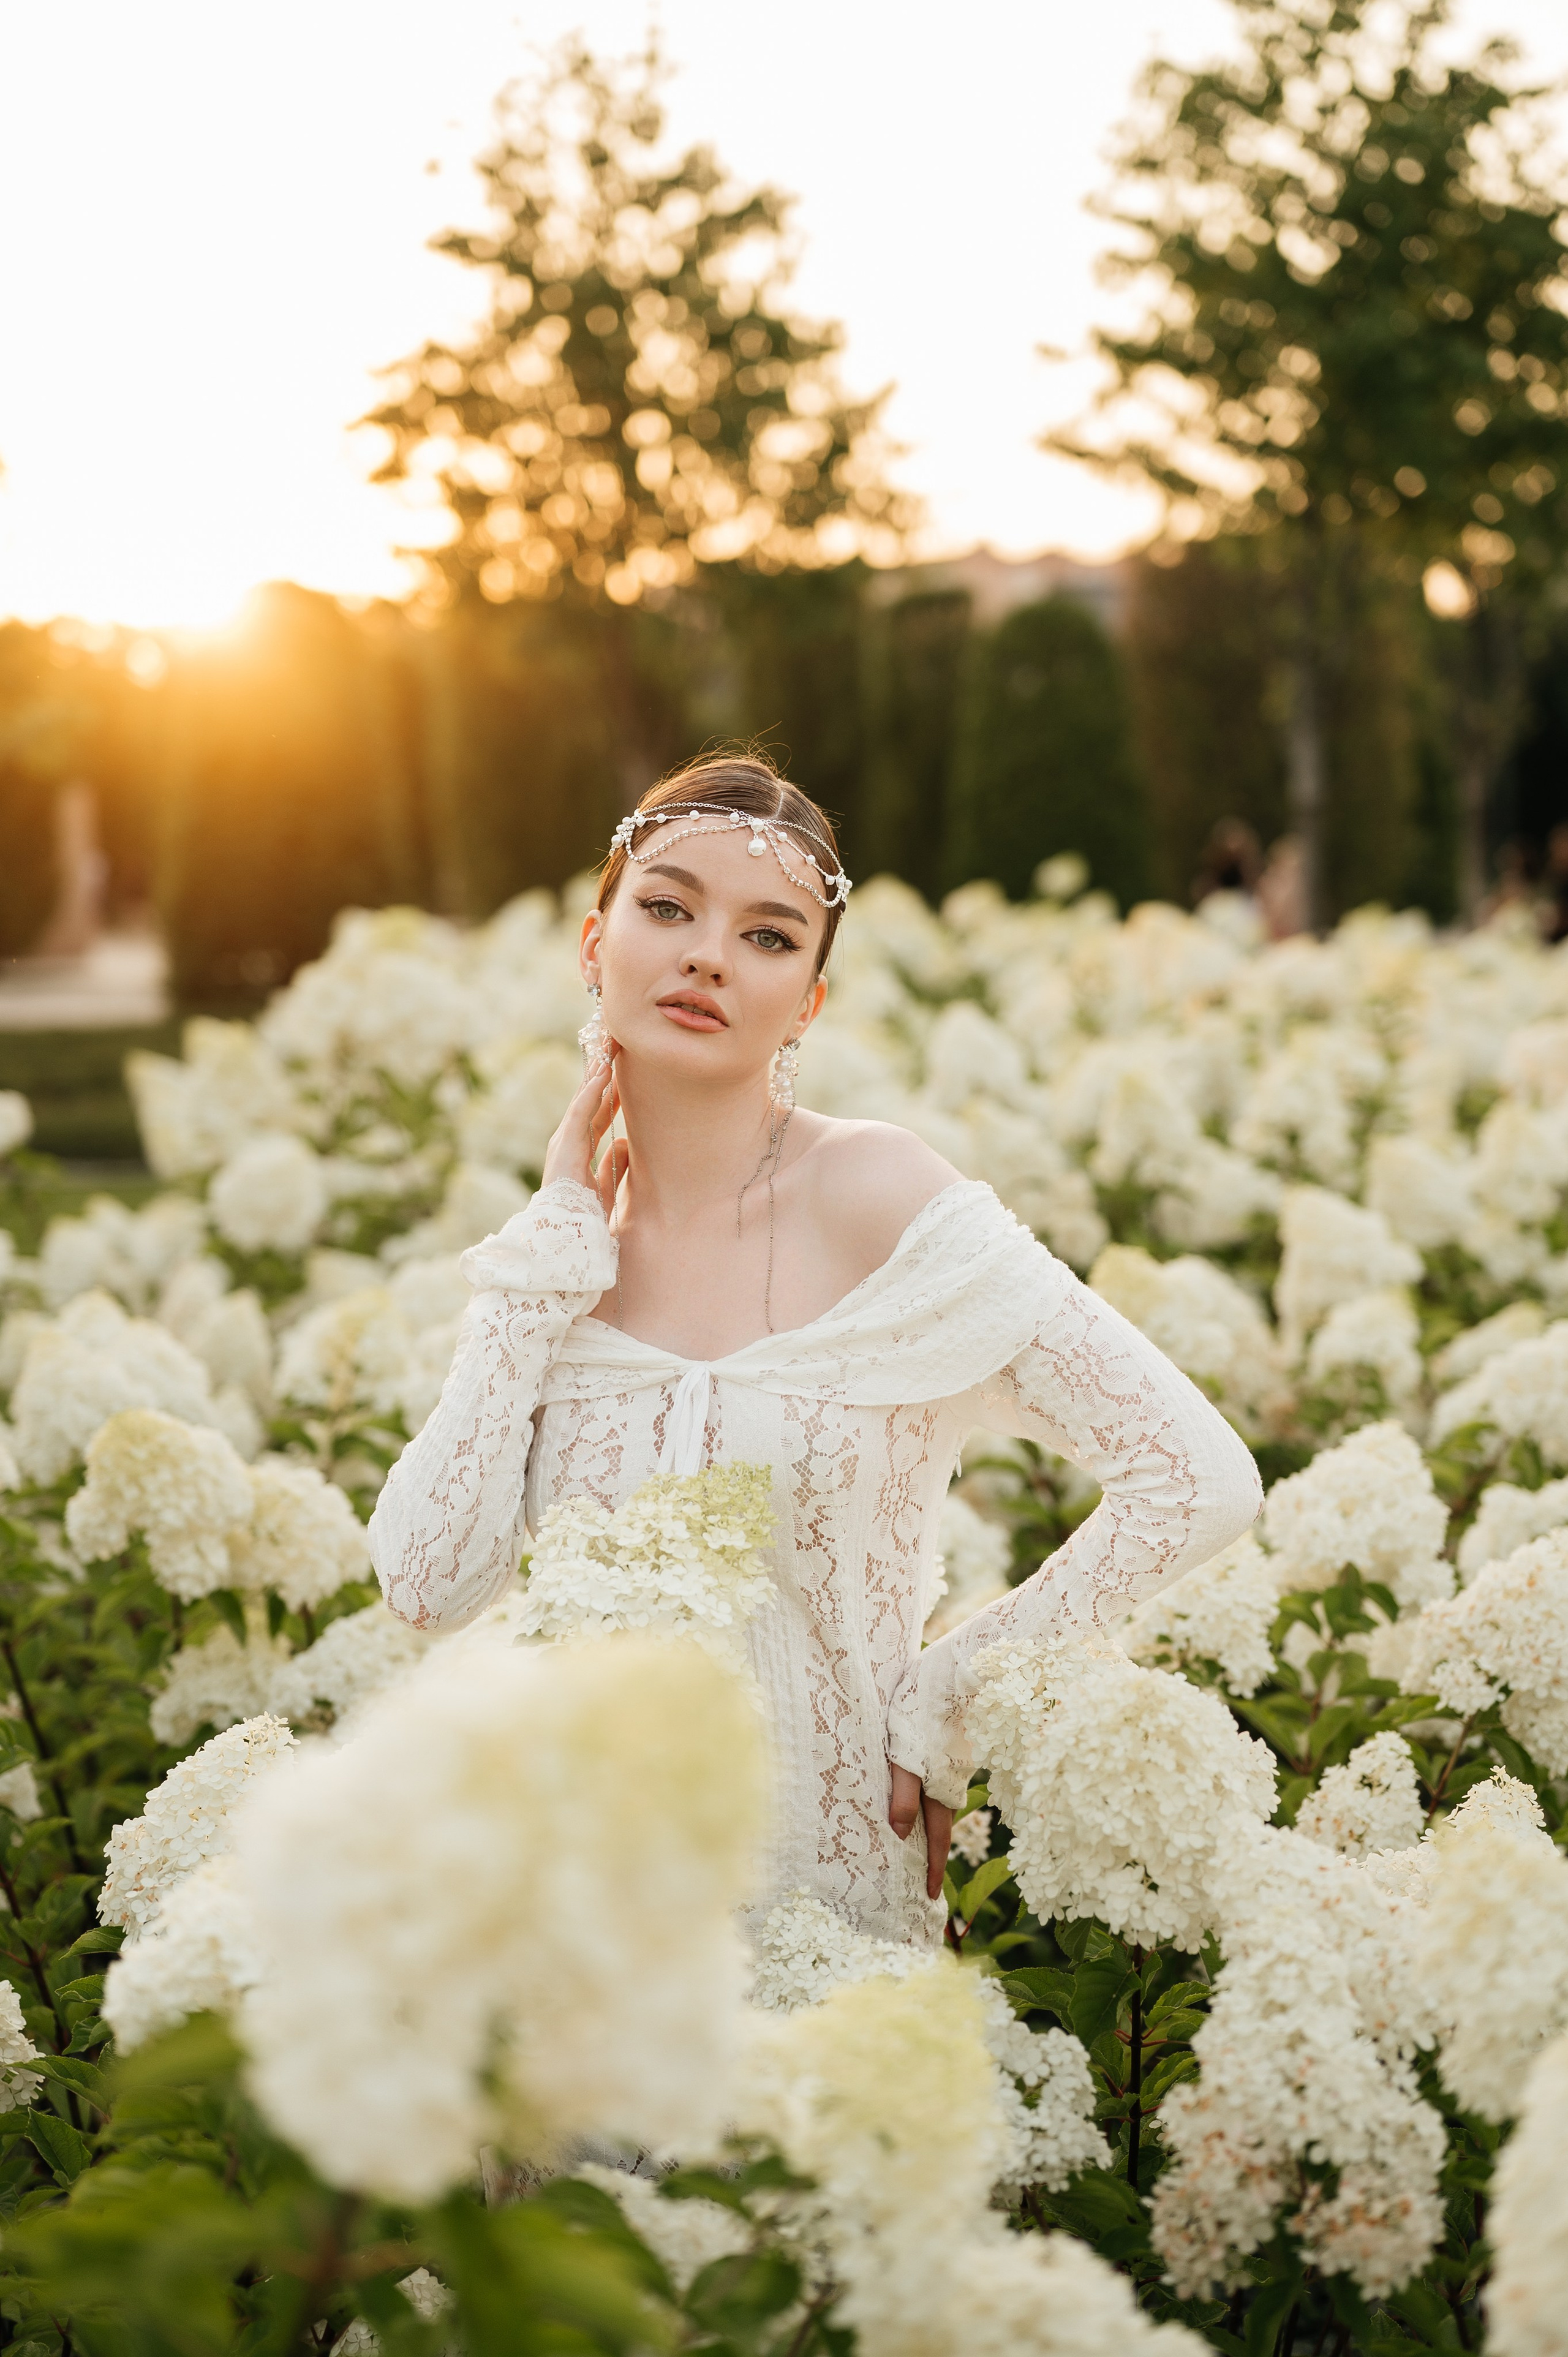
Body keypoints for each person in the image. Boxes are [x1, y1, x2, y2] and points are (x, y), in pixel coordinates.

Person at [368, 752, 1262, 1948]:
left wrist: (951, 1690)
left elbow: (1195, 1473)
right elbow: (428, 1583)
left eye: (769, 935)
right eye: (668, 907)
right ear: (596, 944)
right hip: (567, 1944)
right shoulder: (555, 1262)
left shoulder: (875, 1192)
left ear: (808, 1002)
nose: (707, 955)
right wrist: (543, 1249)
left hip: (825, 1930)